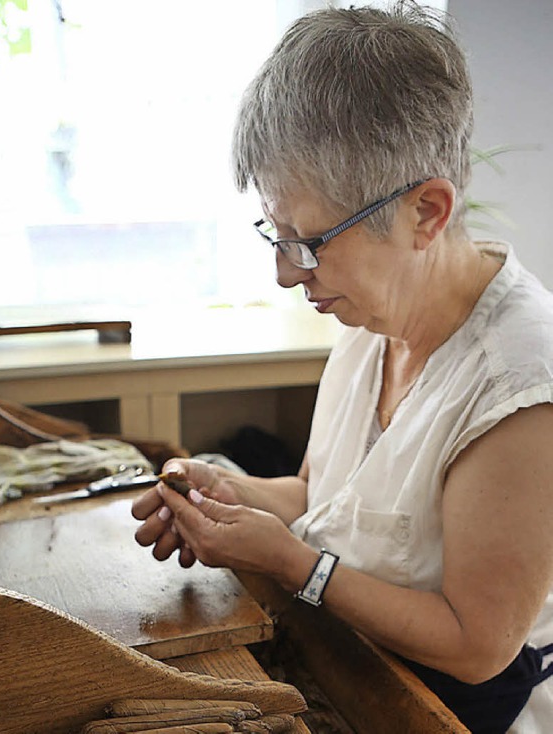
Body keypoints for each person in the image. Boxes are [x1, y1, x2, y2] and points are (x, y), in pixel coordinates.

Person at [132, 3, 553, 732]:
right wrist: (229, 496)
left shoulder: (520, 389)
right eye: (277, 232)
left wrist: (295, 566)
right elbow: (324, 497)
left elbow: (478, 646)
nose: (287, 273)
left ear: (426, 212)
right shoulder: (370, 308)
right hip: (353, 658)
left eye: (310, 239)